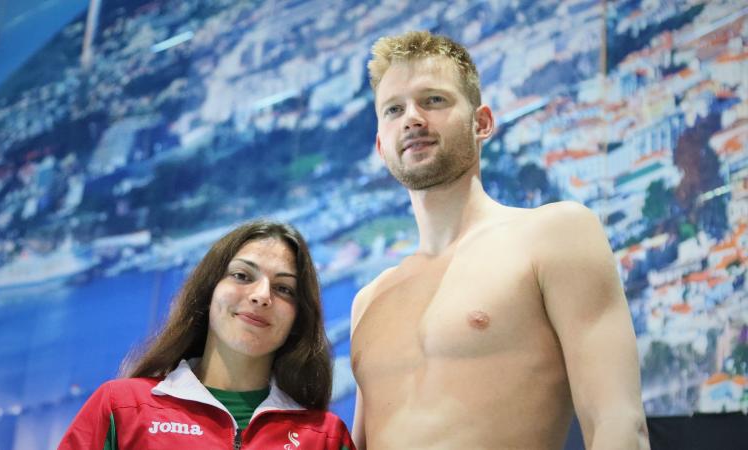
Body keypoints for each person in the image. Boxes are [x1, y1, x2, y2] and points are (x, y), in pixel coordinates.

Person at [350, 31, 650, 449]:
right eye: (394, 109)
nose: (412, 118)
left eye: (433, 100)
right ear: (382, 146)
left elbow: (617, 420)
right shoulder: (370, 301)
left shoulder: (553, 236)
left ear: (482, 122)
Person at [60, 220, 355, 450]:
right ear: (208, 292)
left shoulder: (324, 438)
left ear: (298, 317)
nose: (262, 295)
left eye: (284, 289)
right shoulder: (122, 408)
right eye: (242, 275)